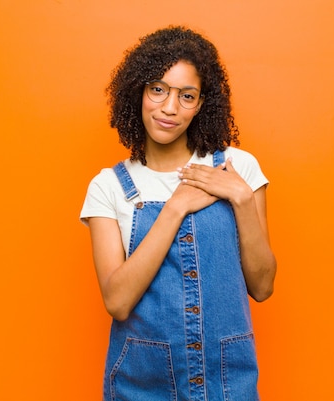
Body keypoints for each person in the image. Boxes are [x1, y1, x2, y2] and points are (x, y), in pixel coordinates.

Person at [80, 25, 277, 401]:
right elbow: (117, 302)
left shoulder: (238, 169)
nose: (170, 107)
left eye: (187, 96)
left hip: (228, 380)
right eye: (158, 89)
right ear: (138, 91)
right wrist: (177, 206)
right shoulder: (108, 187)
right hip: (142, 384)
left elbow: (263, 286)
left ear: (202, 103)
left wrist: (240, 197)